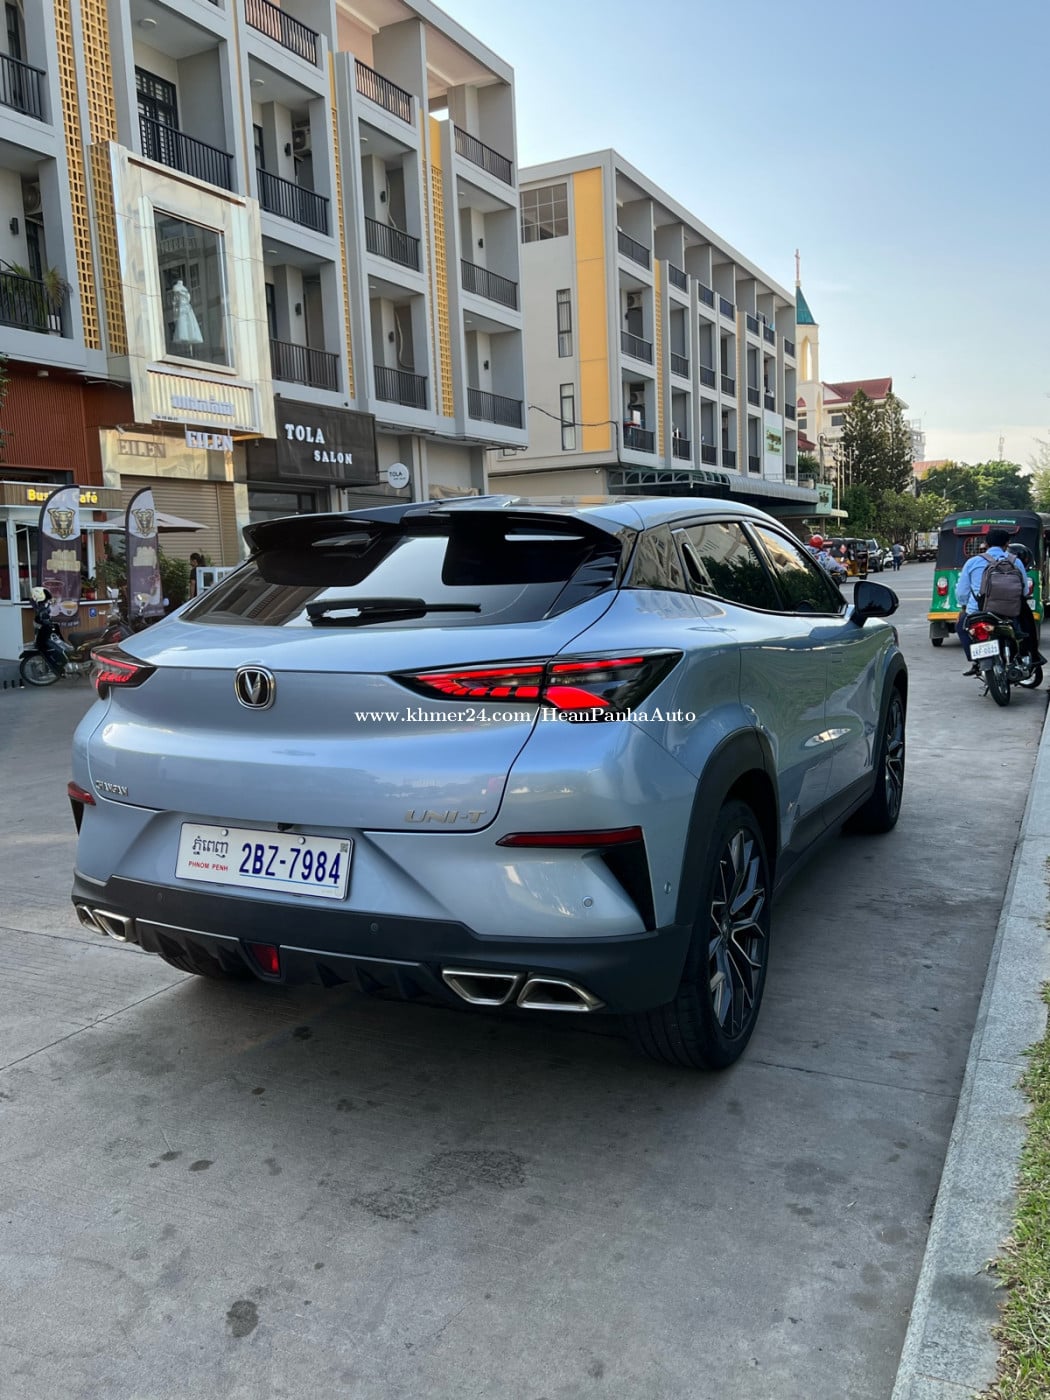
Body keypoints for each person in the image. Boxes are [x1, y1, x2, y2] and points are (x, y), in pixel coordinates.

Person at [954, 529, 1034, 674]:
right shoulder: (1016, 561)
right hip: (1010, 613)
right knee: (1026, 628)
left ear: (986, 543)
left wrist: (965, 607)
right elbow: (1024, 591)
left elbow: (961, 593)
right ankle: (1026, 657)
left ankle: (975, 661)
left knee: (961, 626)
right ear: (1007, 544)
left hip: (978, 612)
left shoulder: (972, 562)